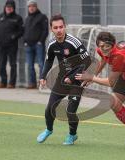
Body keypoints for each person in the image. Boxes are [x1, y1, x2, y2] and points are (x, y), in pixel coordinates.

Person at [75, 32, 125, 149]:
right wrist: (94, 74)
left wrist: (91, 78)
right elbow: (103, 60)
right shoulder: (101, 50)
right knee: (112, 102)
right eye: (101, 46)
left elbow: (110, 82)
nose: (103, 49)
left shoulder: (118, 56)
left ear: (112, 45)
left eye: (106, 46)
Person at [37, 14, 91, 145]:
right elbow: (48, 61)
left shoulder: (74, 41)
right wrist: (43, 76)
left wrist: (72, 77)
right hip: (62, 79)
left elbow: (88, 60)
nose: (59, 30)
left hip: (77, 79)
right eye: (55, 27)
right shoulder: (51, 44)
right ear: (51, 29)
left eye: (61, 27)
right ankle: (49, 130)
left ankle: (72, 135)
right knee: (50, 108)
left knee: (70, 111)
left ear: (65, 27)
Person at [0, 0, 23, 88]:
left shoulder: (17, 18)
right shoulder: (0, 17)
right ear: (5, 7)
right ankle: (3, 82)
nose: (8, 8)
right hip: (1, 45)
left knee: (12, 64)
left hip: (12, 45)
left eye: (10, 7)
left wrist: (13, 36)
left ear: (13, 8)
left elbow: (21, 31)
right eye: (7, 7)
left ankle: (12, 83)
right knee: (1, 64)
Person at [24, 0, 49, 89]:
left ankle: (42, 84)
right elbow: (25, 31)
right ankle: (32, 83)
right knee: (30, 65)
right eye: (29, 6)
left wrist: (40, 41)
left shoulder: (42, 17)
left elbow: (45, 30)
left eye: (33, 6)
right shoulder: (27, 18)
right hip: (28, 45)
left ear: (36, 7)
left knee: (41, 64)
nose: (31, 8)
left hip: (38, 45)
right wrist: (25, 42)